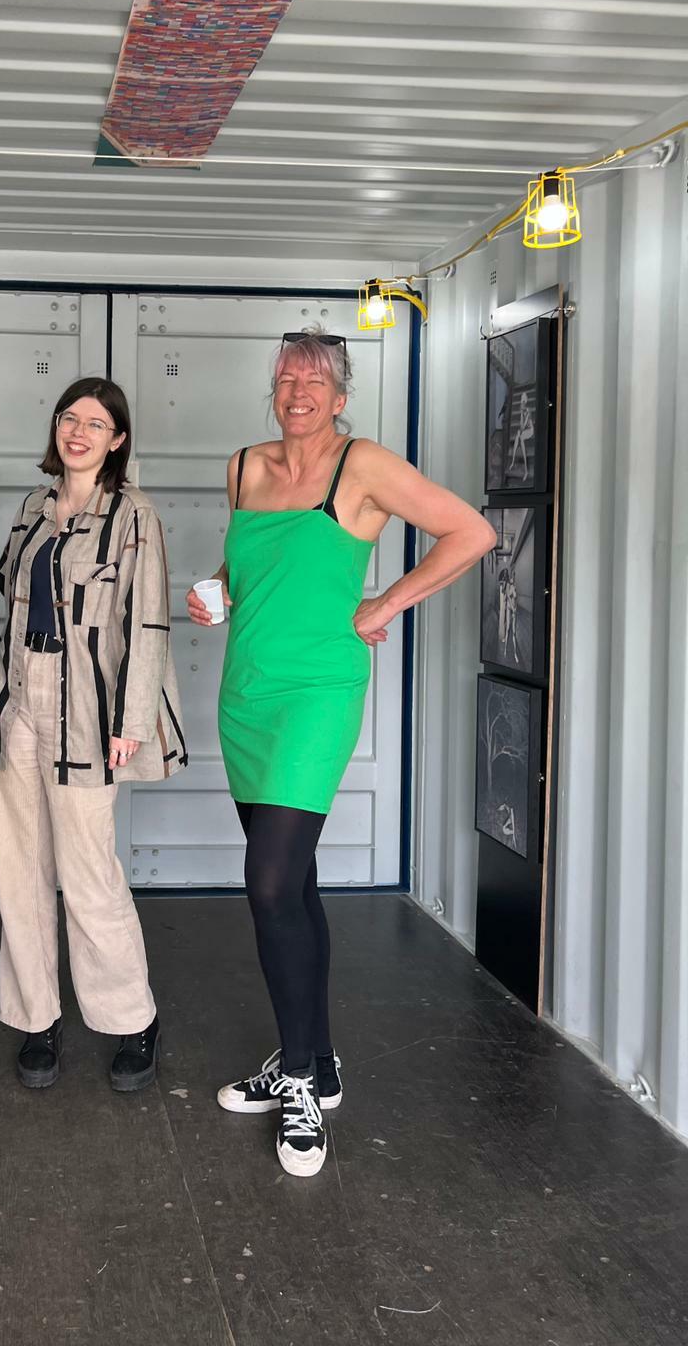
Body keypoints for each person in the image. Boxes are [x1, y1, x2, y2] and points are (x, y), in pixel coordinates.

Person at [188, 329, 493, 1179]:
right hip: (246, 692)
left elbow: (469, 533)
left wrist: (386, 601)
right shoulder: (246, 465)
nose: (297, 391)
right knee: (299, 886)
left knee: (271, 881)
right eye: (286, 377)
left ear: (341, 393)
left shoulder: (362, 465)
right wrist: (217, 589)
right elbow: (252, 561)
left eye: (314, 379)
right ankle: (316, 1067)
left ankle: (296, 1083)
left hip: (318, 693)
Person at [0, 376, 187, 1092]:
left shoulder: (133, 515)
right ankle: (37, 1017)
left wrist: (131, 723)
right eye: (69, 419)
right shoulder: (33, 507)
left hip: (86, 710)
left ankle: (133, 1019)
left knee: (89, 874)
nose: (78, 432)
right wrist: (9, 702)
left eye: (96, 424)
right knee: (21, 869)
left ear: (118, 440)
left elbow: (150, 621)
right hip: (20, 705)